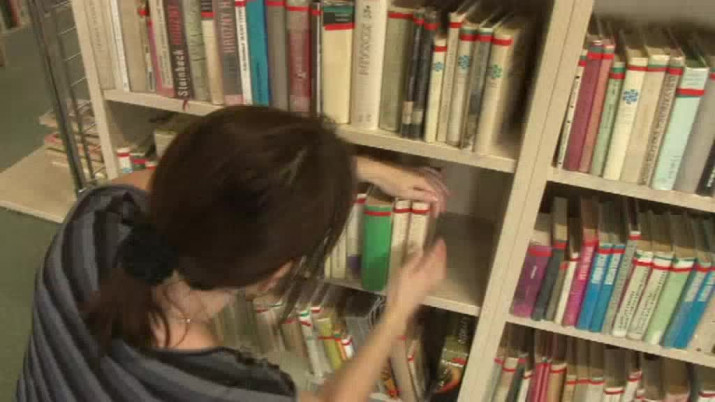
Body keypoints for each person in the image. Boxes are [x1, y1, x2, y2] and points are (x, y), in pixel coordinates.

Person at [16, 106, 450, 401]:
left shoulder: (98, 213)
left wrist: (344, 168)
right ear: (274, 276)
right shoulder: (229, 386)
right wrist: (396, 313)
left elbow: (196, 180)